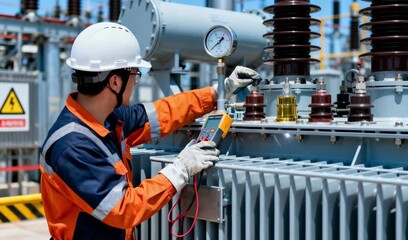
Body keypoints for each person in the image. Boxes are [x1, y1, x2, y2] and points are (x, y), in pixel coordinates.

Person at [39, 22, 260, 240]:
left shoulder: (109, 119)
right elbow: (123, 209)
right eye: (135, 74)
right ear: (115, 82)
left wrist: (219, 91)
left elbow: (164, 112)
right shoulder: (72, 146)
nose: (136, 81)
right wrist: (179, 170)